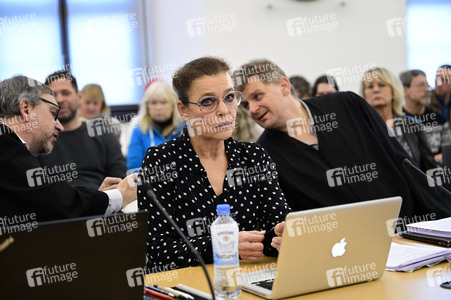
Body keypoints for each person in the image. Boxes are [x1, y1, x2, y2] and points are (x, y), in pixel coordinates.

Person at [233, 58, 451, 222]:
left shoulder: (347, 106)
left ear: (283, 86)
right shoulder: (263, 155)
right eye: (245, 105)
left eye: (257, 96)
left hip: (408, 233)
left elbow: (401, 162)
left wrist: (440, 219)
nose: (252, 109)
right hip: (346, 256)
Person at [137, 57, 290, 272]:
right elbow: (158, 249)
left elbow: (273, 228)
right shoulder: (161, 160)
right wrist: (223, 246)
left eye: (229, 98)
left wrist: (284, 237)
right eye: (208, 102)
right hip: (186, 286)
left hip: (245, 279)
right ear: (183, 111)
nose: (224, 110)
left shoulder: (254, 156)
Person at [0, 75, 137, 222]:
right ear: (26, 109)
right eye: (53, 113)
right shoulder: (6, 148)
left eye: (65, 93)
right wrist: (120, 195)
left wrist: (99, 197)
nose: (59, 126)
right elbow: (56, 201)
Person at [38, 71, 127, 190]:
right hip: (56, 205)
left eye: (66, 93)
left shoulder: (104, 135)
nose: (59, 99)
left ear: (79, 97)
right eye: (53, 95)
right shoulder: (39, 140)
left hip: (103, 203)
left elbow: (120, 181)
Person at [361, 67, 436, 172]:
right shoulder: (360, 128)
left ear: (393, 91)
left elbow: (430, 167)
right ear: (364, 94)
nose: (376, 89)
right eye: (370, 86)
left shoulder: (413, 125)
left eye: (382, 85)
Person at [126, 82, 184, 170]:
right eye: (153, 103)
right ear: (147, 106)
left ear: (174, 105)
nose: (158, 108)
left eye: (163, 102)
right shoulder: (139, 131)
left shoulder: (185, 129)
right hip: (149, 182)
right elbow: (134, 168)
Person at [400, 69, 451, 164]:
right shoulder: (396, 121)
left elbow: (448, 152)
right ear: (405, 90)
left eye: (427, 85)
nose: (427, 89)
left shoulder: (439, 119)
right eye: (421, 85)